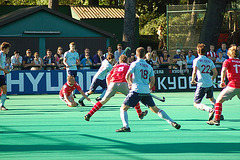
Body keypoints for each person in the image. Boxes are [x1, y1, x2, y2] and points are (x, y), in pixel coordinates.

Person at [115, 47, 181, 132]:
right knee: (156, 110)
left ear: (136, 54)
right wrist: (149, 88)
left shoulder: (134, 64)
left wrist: (130, 84)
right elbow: (153, 80)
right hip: (145, 91)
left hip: (136, 90)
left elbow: (127, 76)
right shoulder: (148, 66)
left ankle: (126, 126)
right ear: (144, 55)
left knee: (123, 108)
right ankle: (172, 122)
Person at [84, 55, 148, 121]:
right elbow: (131, 77)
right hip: (124, 84)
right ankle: (140, 114)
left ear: (120, 61)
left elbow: (108, 77)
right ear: (127, 60)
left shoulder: (115, 67)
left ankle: (89, 114)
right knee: (134, 99)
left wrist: (109, 87)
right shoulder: (128, 67)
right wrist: (131, 85)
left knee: (103, 101)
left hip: (113, 83)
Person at [207, 46, 240, 126]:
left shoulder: (227, 61)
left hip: (233, 85)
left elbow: (223, 70)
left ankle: (216, 120)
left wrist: (222, 81)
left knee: (218, 101)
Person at [191, 43, 218, 121]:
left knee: (196, 103)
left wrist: (193, 80)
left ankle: (210, 110)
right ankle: (219, 113)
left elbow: (194, 71)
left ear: (197, 51)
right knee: (212, 99)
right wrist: (212, 79)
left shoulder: (196, 60)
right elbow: (215, 73)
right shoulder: (209, 60)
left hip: (201, 84)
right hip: (209, 84)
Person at [0, 42, 11, 110]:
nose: (8, 50)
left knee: (4, 88)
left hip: (1, 74)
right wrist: (4, 70)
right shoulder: (0, 54)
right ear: (4, 49)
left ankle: (2, 105)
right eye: (8, 49)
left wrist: (6, 69)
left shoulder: (4, 56)